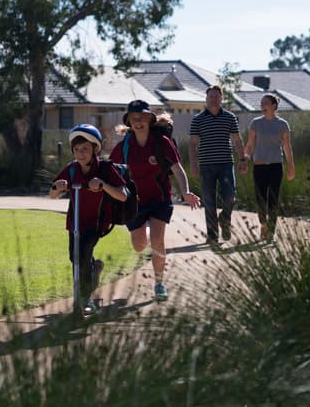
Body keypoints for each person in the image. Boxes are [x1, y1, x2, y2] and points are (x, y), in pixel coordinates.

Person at [110, 100, 201, 301]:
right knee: (139, 245)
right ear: (129, 122)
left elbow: (178, 169)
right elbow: (111, 171)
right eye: (134, 118)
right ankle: (148, 232)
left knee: (158, 239)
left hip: (160, 198)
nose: (138, 121)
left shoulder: (162, 142)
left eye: (142, 117)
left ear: (150, 119)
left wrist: (185, 191)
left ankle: (159, 283)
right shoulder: (124, 146)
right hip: (134, 202)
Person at [50, 124, 128, 314]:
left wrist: (102, 185)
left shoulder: (105, 168)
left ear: (95, 148)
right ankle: (94, 271)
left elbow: (123, 195)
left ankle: (84, 300)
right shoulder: (71, 169)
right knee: (75, 258)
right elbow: (51, 195)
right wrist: (57, 188)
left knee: (83, 255)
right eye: (76, 149)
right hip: (74, 223)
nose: (80, 153)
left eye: (85, 148)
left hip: (96, 222)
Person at [188, 85, 247, 244]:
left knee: (230, 196)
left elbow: (237, 140)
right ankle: (212, 235)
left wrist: (242, 159)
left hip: (226, 164)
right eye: (211, 96)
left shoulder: (230, 117)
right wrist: (193, 164)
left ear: (221, 98)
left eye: (216, 96)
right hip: (206, 165)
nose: (213, 99)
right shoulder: (198, 119)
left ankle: (224, 219)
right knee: (208, 200)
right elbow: (193, 144)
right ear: (206, 99)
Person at [243, 93, 295, 241]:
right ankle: (263, 224)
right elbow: (250, 144)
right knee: (260, 199)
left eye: (265, 103)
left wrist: (291, 166)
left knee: (273, 199)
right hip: (259, 167)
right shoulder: (256, 123)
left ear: (273, 106)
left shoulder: (282, 124)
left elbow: (287, 146)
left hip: (275, 167)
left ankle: (270, 231)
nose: (262, 106)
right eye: (261, 103)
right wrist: (244, 158)